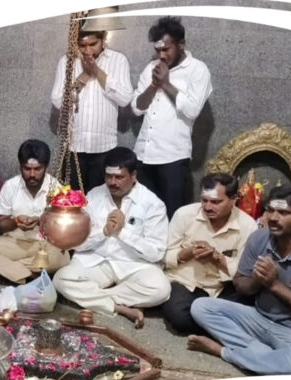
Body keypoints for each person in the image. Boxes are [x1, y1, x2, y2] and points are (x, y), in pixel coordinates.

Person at [188, 185, 291, 375]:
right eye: (270, 210)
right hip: (258, 318)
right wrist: (257, 280)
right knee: (201, 307)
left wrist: (274, 285)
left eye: (284, 213)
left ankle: (226, 352)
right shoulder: (259, 238)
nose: (273, 218)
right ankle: (262, 355)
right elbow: (240, 286)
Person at [53, 147, 170, 328]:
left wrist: (122, 233)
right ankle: (121, 307)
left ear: (134, 176)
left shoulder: (153, 204)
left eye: (119, 177)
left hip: (134, 265)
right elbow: (78, 244)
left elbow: (156, 253)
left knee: (161, 289)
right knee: (61, 279)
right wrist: (104, 232)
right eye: (108, 176)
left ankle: (96, 298)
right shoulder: (94, 196)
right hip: (97, 261)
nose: (112, 182)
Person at [130, 16, 212, 218]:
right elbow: (137, 107)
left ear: (181, 44)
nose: (162, 55)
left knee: (172, 216)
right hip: (143, 155)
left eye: (166, 49)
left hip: (173, 158)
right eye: (158, 50)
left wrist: (166, 84)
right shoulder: (151, 68)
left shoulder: (197, 69)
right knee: (141, 215)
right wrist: (153, 85)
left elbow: (192, 110)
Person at [161, 173, 258, 333]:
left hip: (221, 287)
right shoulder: (184, 214)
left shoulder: (247, 225)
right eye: (204, 200)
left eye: (216, 202)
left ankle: (212, 324)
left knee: (251, 301)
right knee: (180, 318)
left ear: (234, 199)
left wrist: (217, 258)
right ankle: (220, 328)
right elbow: (163, 256)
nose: (208, 207)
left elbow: (244, 273)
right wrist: (187, 253)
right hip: (184, 282)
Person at [51, 15, 133, 193]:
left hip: (104, 147)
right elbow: (58, 101)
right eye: (82, 45)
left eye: (93, 44)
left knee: (100, 201)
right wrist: (84, 76)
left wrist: (96, 70)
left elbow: (125, 98)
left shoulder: (118, 60)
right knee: (73, 200)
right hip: (74, 148)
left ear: (103, 39)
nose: (88, 51)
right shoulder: (67, 61)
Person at [0, 140, 69, 283]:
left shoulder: (57, 188)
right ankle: (29, 275)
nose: (32, 174)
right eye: (27, 169)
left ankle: (6, 272)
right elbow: (0, 224)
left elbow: (64, 229)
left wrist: (41, 221)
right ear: (20, 167)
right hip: (14, 241)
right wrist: (16, 221)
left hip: (44, 244)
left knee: (62, 258)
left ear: (46, 167)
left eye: (37, 169)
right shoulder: (11, 186)